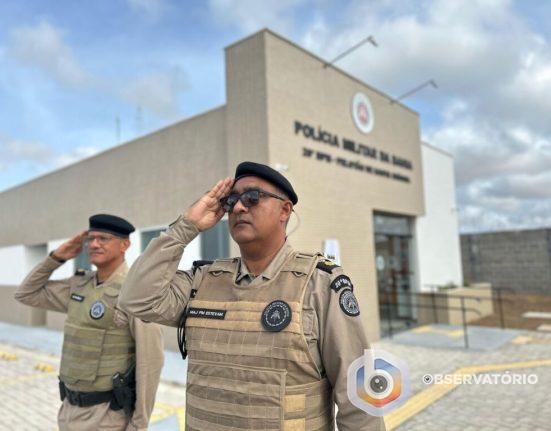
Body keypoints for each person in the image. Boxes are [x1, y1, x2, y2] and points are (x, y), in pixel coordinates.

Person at [119, 162, 386, 430]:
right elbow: (137, 298)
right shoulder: (203, 280)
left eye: (252, 197)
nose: (237, 207)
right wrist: (185, 227)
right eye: (231, 200)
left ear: (284, 210)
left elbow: (359, 399)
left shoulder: (320, 284)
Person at [14, 214, 164, 431]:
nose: (94, 244)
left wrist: (138, 425)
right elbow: (25, 294)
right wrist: (56, 258)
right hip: (68, 410)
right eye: (90, 239)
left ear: (125, 245)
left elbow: (150, 363)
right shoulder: (79, 285)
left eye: (103, 238)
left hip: (107, 417)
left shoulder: (136, 291)